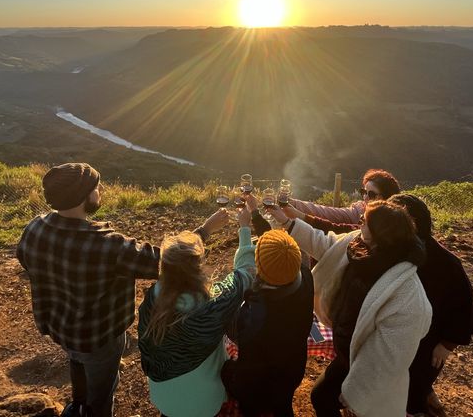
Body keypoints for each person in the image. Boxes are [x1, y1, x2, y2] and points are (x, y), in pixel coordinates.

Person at [16, 162, 225, 417]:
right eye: (96, 186)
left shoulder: (34, 229)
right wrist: (205, 230)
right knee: (102, 394)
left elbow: (26, 262)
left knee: (78, 363)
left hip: (61, 328)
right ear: (83, 196)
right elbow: (170, 260)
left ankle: (78, 405)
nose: (100, 189)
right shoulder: (107, 246)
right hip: (99, 337)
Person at [267, 200, 432, 417]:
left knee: (328, 398)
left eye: (364, 220)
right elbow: (323, 243)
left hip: (365, 362)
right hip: (346, 349)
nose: (359, 222)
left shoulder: (407, 296)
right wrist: (286, 221)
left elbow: (385, 358)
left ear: (380, 232)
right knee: (322, 396)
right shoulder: (358, 246)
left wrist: (355, 395)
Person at [137, 205, 255, 417]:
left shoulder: (153, 298)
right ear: (198, 268)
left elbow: (177, 259)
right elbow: (246, 272)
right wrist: (244, 227)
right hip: (204, 404)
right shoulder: (214, 303)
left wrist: (206, 229)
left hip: (163, 399)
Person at [221, 193, 315, 416]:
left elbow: (231, 330)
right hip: (291, 372)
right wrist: (255, 215)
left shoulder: (254, 313)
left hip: (255, 385)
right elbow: (281, 251)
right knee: (283, 406)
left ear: (258, 269)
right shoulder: (305, 277)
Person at [389, 194, 473, 417]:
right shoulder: (394, 251)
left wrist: (447, 345)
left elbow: (465, 309)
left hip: (427, 348)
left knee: (412, 396)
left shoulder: (446, 263)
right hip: (397, 343)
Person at [290, 169, 401, 225]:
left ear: (387, 197)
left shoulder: (396, 224)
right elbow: (326, 212)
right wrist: (293, 204)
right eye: (364, 192)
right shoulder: (359, 212)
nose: (365, 197)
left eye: (371, 194)